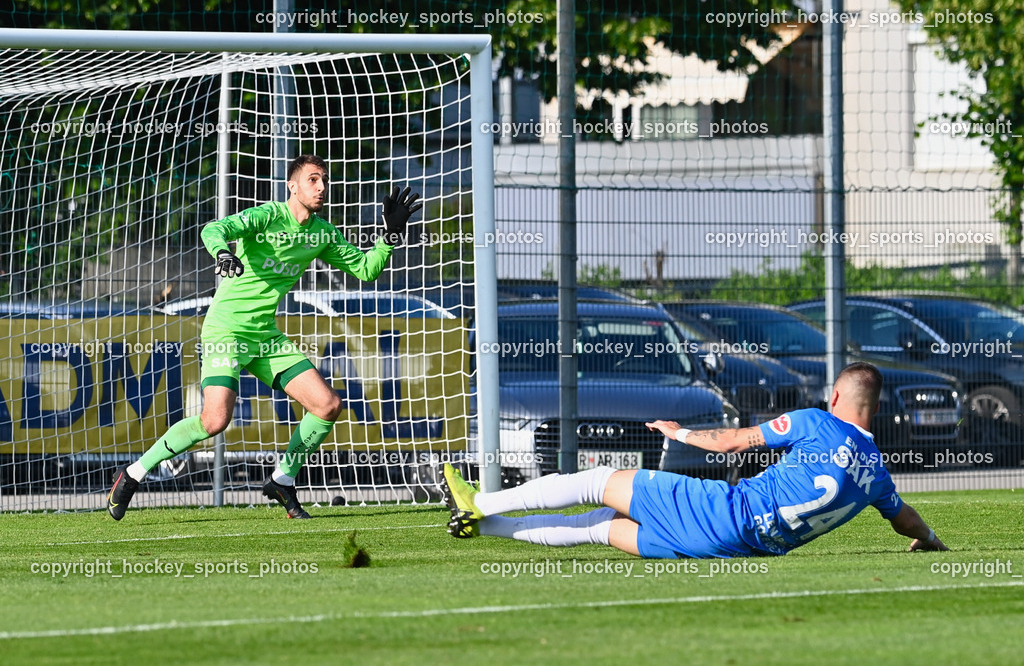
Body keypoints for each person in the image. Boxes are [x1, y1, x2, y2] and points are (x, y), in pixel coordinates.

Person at [107, 154, 421, 520]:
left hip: (265, 336)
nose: (321, 187)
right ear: (293, 185)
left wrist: (391, 235)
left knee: (328, 406)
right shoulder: (268, 216)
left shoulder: (322, 232)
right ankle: (133, 474)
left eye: (324, 181)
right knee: (214, 421)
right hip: (226, 329)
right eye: (313, 180)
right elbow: (214, 229)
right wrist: (223, 253)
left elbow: (367, 269)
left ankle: (283, 479)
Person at [441, 362, 949, 558]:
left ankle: (480, 500)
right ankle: (482, 529)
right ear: (876, 408)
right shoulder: (878, 473)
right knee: (597, 528)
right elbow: (906, 518)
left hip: (723, 510)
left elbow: (731, 444)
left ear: (835, 397)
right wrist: (929, 541)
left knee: (598, 481)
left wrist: (678, 430)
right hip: (737, 550)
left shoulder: (817, 422)